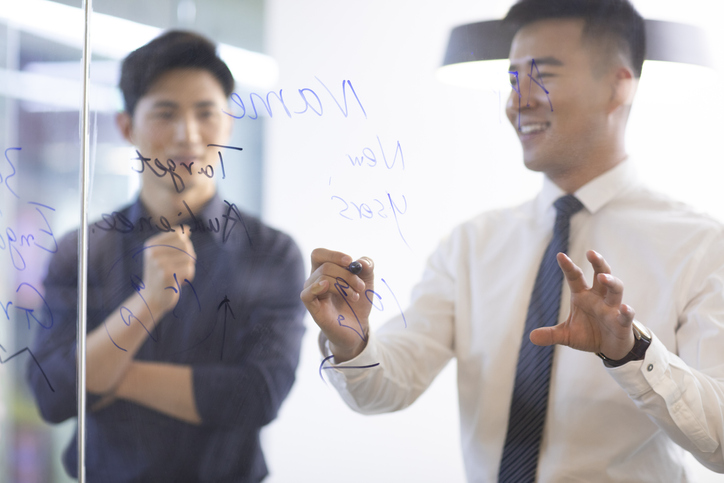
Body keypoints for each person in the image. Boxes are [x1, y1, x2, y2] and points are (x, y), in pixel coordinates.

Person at [300, 1, 724, 482]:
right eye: (511, 79)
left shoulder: (702, 245)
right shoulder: (471, 244)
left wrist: (633, 354)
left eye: (542, 76)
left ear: (617, 86)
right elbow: (387, 388)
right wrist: (353, 341)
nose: (517, 101)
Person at [26, 31, 306, 483]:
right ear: (126, 127)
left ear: (229, 122)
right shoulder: (83, 249)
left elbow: (258, 395)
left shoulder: (272, 252)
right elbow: (52, 393)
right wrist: (148, 303)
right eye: (165, 113)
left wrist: (106, 373)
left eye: (206, 113)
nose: (188, 135)